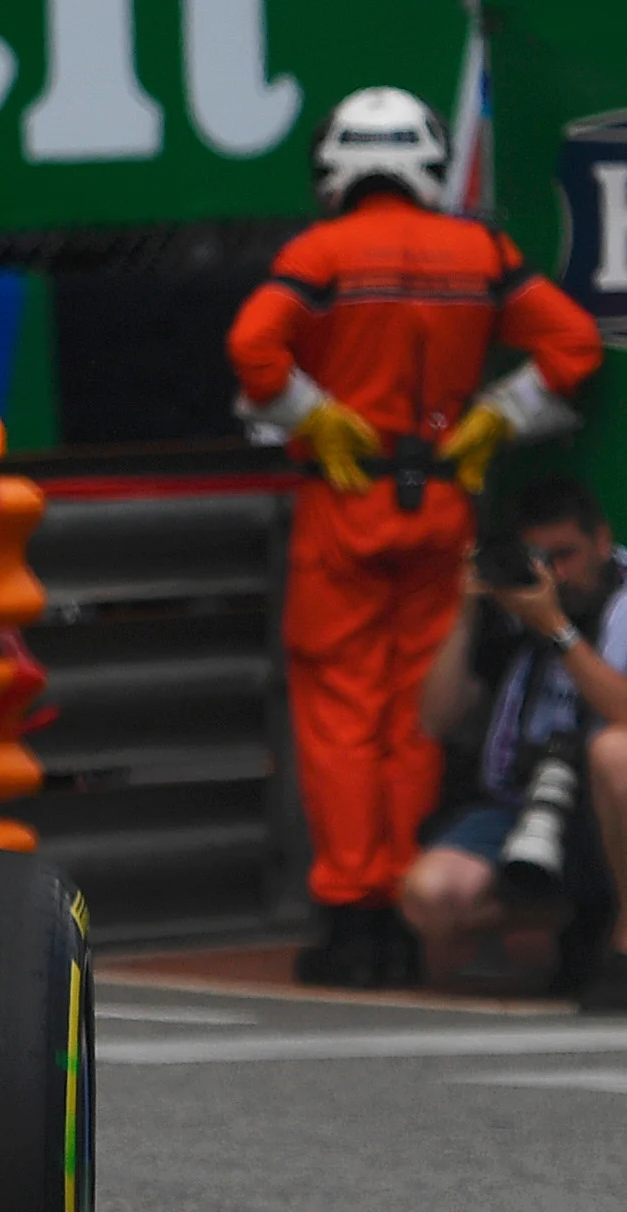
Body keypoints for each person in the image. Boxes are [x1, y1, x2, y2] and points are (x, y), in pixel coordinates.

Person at [227, 87, 605, 986]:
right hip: (442, 505)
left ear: (335, 166)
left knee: (340, 716)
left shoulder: (318, 254)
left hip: (344, 507)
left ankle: (353, 920)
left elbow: (253, 350)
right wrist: (499, 414)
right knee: (416, 714)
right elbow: (574, 345)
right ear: (427, 161)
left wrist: (313, 414)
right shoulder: (482, 252)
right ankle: (404, 912)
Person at [399, 479, 627, 1007]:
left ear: (602, 540)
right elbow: (434, 719)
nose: (556, 575)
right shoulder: (512, 605)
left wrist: (557, 630)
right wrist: (467, 612)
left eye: (566, 555)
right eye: (542, 560)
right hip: (527, 801)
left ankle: (619, 935)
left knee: (616, 754)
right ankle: (567, 920)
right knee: (431, 896)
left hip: (607, 804)